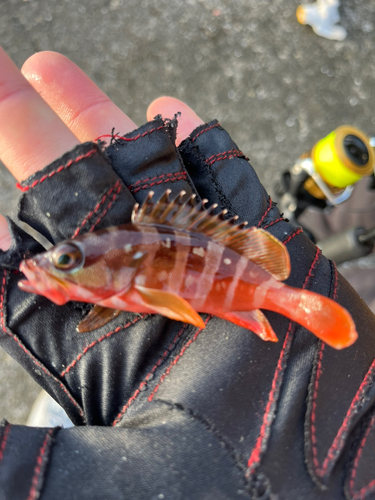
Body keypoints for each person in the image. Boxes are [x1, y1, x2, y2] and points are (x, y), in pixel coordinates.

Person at [0, 47, 375, 500]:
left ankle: (60, 412)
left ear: (117, 267)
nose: (50, 266)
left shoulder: (126, 279)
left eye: (66, 260)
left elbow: (165, 300)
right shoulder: (121, 275)